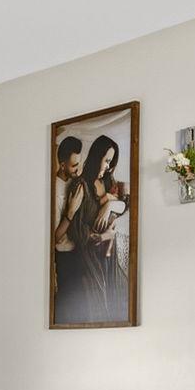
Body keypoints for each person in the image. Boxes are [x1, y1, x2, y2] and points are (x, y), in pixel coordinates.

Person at [52, 134, 128, 323]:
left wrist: (109, 205)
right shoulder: (81, 185)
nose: (108, 166)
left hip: (108, 258)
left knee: (116, 303)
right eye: (106, 161)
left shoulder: (108, 182)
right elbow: (76, 231)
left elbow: (125, 206)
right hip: (88, 259)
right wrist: (104, 236)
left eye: (111, 162)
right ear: (96, 157)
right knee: (94, 309)